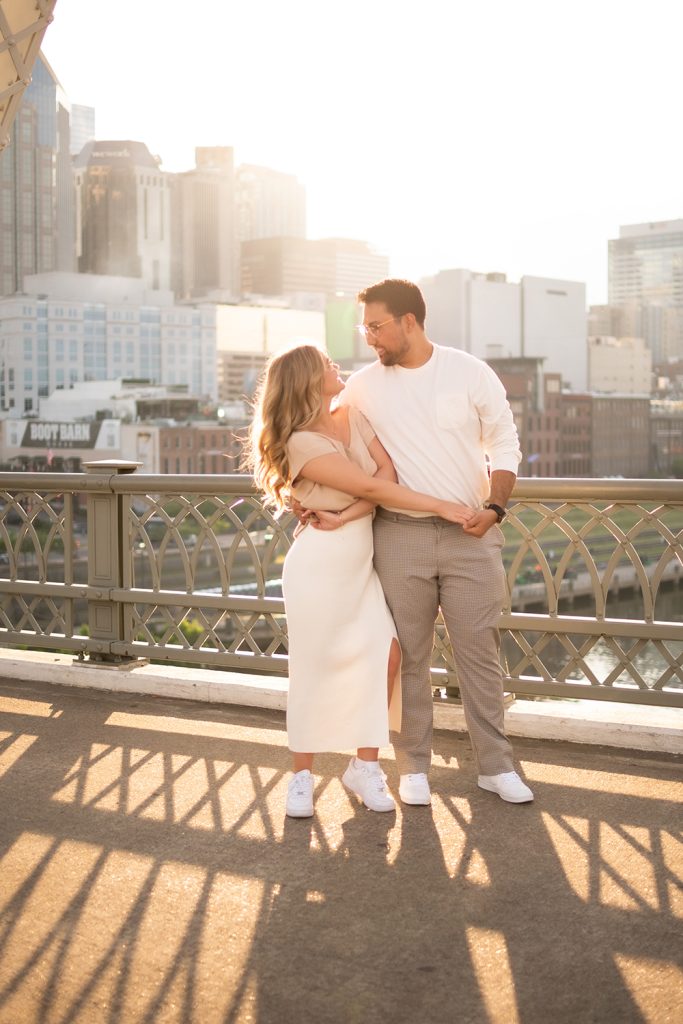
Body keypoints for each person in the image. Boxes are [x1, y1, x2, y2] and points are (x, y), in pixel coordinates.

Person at [246, 343, 475, 818]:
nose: (335, 367)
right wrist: (440, 505)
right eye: (325, 364)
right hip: (320, 567)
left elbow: (382, 478)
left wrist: (346, 512)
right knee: (314, 665)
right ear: (308, 379)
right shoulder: (299, 441)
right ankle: (301, 777)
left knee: (385, 654)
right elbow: (372, 485)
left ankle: (363, 765)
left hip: (359, 566)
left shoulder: (353, 415)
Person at [338, 278, 534, 805]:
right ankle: (413, 768)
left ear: (410, 321)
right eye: (365, 328)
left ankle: (495, 766)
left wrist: (495, 508)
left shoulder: (470, 372)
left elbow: (504, 442)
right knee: (409, 657)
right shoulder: (361, 385)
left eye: (376, 327)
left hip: (471, 535)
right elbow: (318, 434)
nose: (369, 338)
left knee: (480, 654)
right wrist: (295, 488)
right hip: (398, 536)